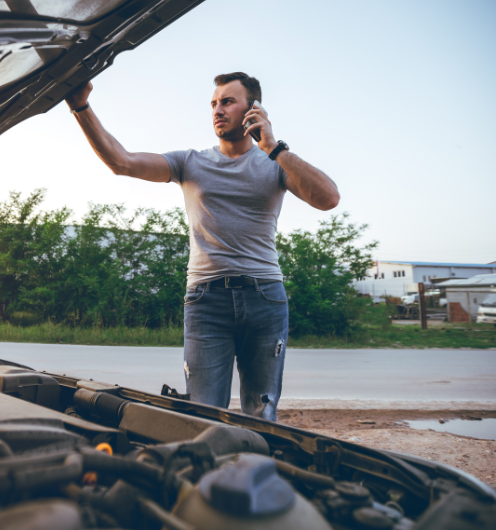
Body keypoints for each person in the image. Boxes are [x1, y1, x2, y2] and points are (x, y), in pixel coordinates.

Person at [65, 72, 339, 421]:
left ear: (253, 109)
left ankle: (252, 473)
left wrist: (273, 147)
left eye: (227, 101)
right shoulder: (190, 162)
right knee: (201, 414)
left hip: (265, 297)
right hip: (206, 301)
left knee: (261, 413)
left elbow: (328, 198)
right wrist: (80, 106)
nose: (217, 110)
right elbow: (122, 161)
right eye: (213, 103)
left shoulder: (276, 164)